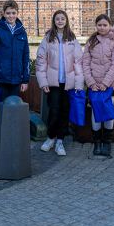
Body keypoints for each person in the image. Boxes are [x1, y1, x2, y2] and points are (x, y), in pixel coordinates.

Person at [36, 10, 84, 156]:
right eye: (57, 19)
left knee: (64, 111)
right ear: (54, 21)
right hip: (53, 83)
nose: (60, 21)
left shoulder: (72, 38)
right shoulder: (48, 38)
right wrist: (43, 82)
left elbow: (78, 62)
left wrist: (79, 84)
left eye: (63, 19)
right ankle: (51, 138)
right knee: (54, 110)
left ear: (66, 20)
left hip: (68, 83)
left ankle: (60, 141)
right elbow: (41, 61)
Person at [0, 0, 31, 131]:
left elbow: (25, 57)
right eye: (8, 13)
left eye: (13, 13)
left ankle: (11, 136)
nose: (11, 16)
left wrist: (25, 79)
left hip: (16, 79)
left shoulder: (22, 32)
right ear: (3, 14)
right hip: (0, 79)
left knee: (13, 108)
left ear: (17, 13)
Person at [82, 14, 114, 158]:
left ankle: (107, 142)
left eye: (105, 25)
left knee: (108, 113)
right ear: (96, 26)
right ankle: (97, 142)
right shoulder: (91, 42)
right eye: (99, 25)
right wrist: (91, 83)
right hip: (94, 85)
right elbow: (85, 63)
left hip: (109, 85)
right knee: (95, 112)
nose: (102, 27)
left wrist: (106, 83)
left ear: (110, 26)